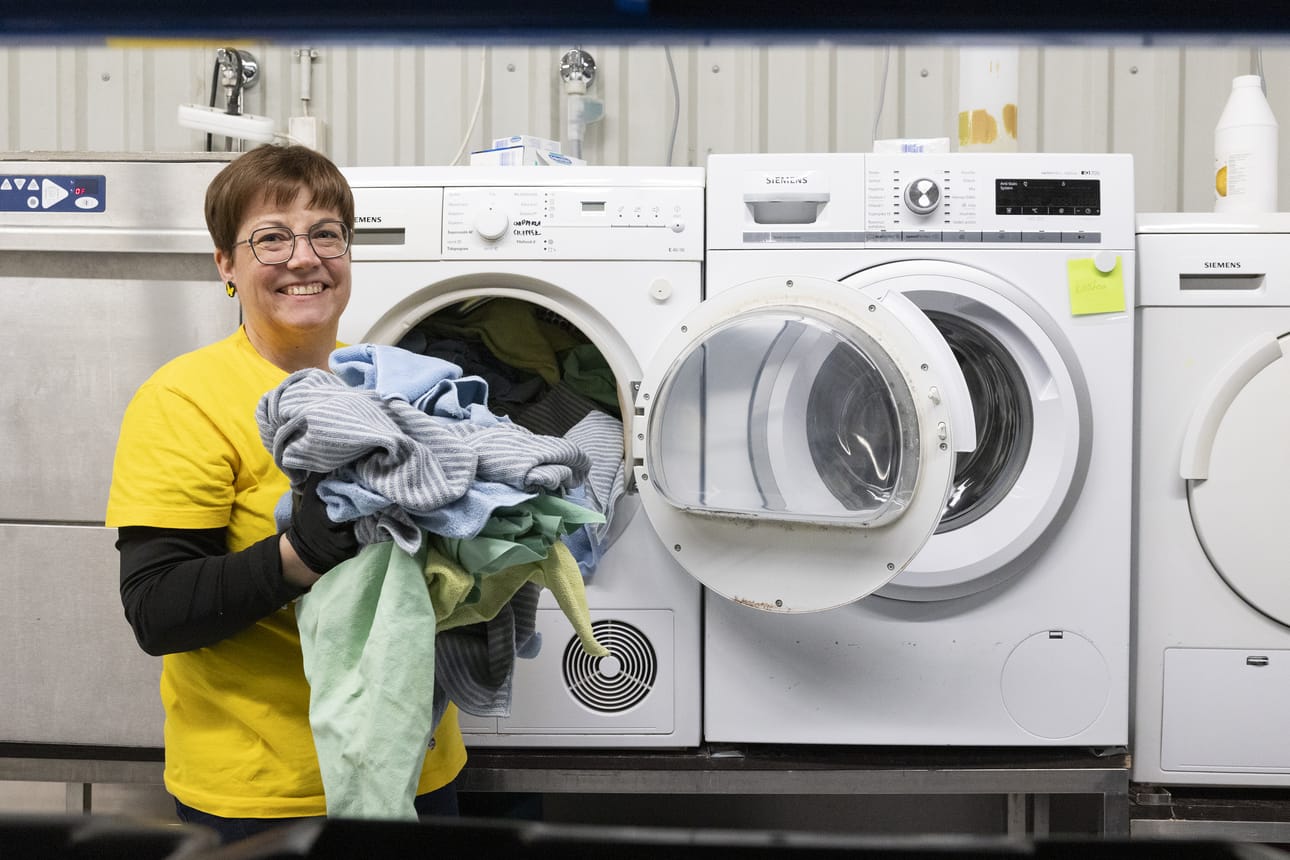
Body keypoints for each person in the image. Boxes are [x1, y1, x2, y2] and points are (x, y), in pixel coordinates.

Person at [105, 144, 466, 843]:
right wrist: (301, 552)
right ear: (226, 266)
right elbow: (159, 610)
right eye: (271, 238)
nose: (304, 258)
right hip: (264, 792)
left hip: (411, 766)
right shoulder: (186, 399)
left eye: (325, 233)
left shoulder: (395, 385)